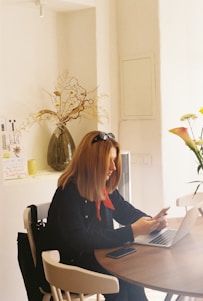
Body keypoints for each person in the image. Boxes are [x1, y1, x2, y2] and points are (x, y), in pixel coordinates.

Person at [45, 130, 168, 301]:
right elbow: (80, 240)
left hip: (96, 256)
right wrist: (132, 231)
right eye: (108, 161)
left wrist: (152, 222)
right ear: (92, 162)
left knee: (132, 276)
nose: (114, 167)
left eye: (114, 160)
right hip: (72, 266)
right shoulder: (68, 192)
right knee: (122, 282)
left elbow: (125, 211)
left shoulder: (103, 186)